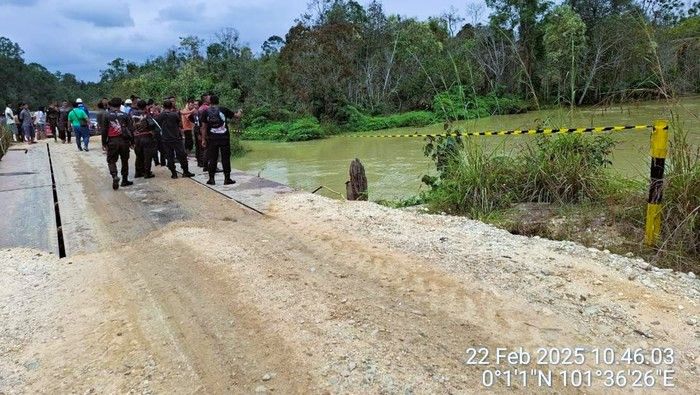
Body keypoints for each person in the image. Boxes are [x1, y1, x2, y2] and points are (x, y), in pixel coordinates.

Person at [201, 95, 239, 185]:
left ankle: (211, 179)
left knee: (213, 158)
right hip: (224, 138)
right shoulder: (224, 109)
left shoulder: (205, 111)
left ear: (210, 101)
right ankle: (227, 179)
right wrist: (240, 112)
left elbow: (203, 127)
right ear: (218, 101)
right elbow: (236, 116)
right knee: (225, 158)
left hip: (212, 138)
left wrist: (203, 139)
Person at [155, 100, 194, 179]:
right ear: (171, 106)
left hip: (166, 139)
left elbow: (158, 124)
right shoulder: (175, 115)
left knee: (169, 156)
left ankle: (174, 173)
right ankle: (185, 172)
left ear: (163, 106)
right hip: (176, 138)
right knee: (182, 155)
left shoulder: (160, 116)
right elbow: (180, 125)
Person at [101, 98, 134, 190]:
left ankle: (115, 176)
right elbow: (131, 129)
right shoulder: (125, 115)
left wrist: (104, 143)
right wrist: (132, 142)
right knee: (124, 160)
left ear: (110, 105)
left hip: (112, 141)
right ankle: (124, 180)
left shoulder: (106, 115)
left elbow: (104, 130)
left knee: (111, 160)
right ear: (120, 105)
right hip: (124, 141)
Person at [129, 100, 159, 179]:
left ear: (137, 106)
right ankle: (147, 173)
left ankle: (138, 172)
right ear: (145, 106)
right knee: (147, 156)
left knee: (139, 156)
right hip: (146, 136)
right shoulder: (146, 114)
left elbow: (129, 126)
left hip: (136, 137)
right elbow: (152, 124)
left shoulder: (131, 114)